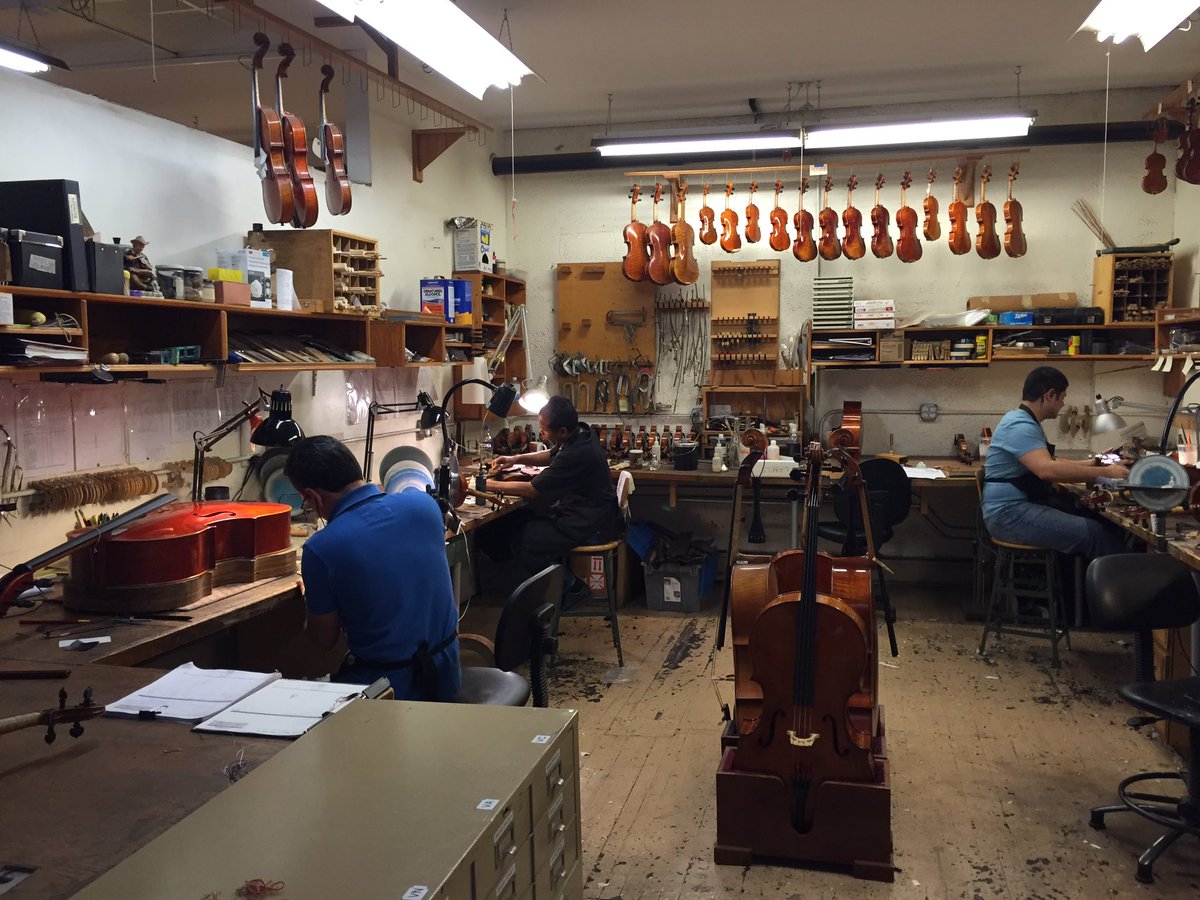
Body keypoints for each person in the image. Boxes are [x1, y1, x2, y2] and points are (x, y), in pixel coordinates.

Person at [285, 435, 461, 701]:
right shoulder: (425, 506)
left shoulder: (321, 549)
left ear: (312, 497)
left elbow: (324, 640)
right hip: (446, 677)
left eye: (305, 501)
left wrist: (316, 594)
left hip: (388, 694)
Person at [481, 395, 620, 608]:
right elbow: (552, 455)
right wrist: (514, 459)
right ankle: (537, 589)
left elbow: (531, 491)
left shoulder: (578, 453)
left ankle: (572, 587)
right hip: (580, 513)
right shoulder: (581, 434)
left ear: (562, 431)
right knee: (511, 522)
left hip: (592, 525)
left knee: (523, 541)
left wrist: (485, 486)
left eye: (544, 430)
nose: (542, 433)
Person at [982, 366, 1129, 558]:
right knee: (1093, 534)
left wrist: (1095, 464)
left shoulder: (1025, 421)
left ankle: (1084, 585)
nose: (1062, 404)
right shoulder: (1019, 425)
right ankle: (1128, 584)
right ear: (1050, 395)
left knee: (1092, 520)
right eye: (1062, 397)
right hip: (1008, 514)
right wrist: (1108, 473)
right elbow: (1047, 470)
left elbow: (1051, 462)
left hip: (1018, 507)